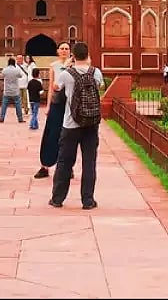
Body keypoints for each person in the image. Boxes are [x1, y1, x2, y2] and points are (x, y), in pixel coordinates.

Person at [49, 41, 103, 210]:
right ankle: (88, 201)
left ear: (73, 55)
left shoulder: (67, 74)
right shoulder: (96, 72)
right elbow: (100, 87)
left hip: (71, 124)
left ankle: (57, 199)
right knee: (89, 162)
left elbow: (56, 87)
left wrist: (66, 66)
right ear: (88, 56)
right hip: (91, 124)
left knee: (65, 161)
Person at [34, 42, 72, 179]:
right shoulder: (54, 66)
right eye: (62, 48)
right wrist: (48, 106)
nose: (64, 50)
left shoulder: (74, 66)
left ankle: (67, 167)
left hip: (70, 104)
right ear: (57, 51)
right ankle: (45, 165)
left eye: (66, 49)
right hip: (57, 103)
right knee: (51, 134)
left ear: (70, 51)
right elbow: (51, 87)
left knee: (68, 136)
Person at [0, 56, 24, 123]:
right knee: (18, 105)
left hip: (7, 91)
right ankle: (20, 119)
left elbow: (1, 75)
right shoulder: (16, 70)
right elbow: (21, 76)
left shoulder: (5, 70)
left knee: (4, 106)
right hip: (15, 91)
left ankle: (1, 118)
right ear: (14, 63)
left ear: (8, 63)